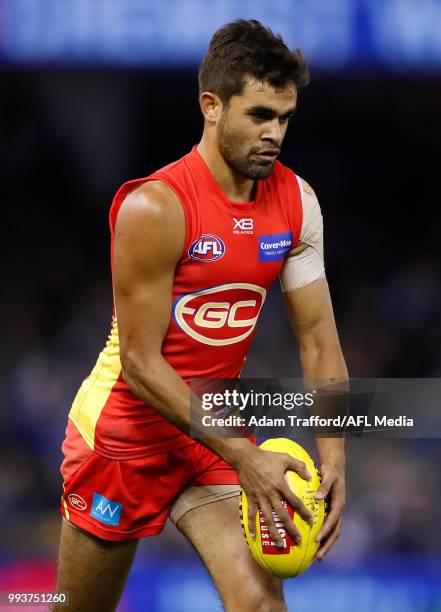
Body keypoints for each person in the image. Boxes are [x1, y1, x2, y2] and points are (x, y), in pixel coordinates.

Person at [54, 19, 347, 612]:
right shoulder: (155, 207)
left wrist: (335, 452)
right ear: (211, 106)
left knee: (262, 604)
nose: (275, 135)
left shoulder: (297, 202)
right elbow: (139, 364)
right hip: (123, 436)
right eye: (259, 115)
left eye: (285, 118)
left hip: (210, 431)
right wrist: (246, 457)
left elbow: (317, 338)